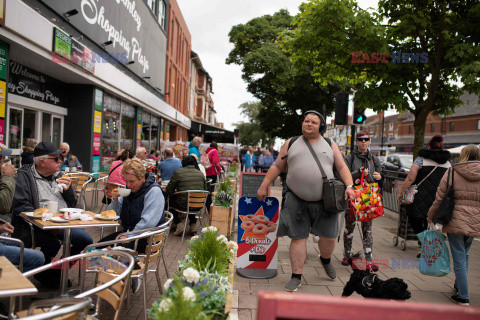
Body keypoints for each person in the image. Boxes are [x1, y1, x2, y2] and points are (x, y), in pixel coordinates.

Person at [257, 110, 355, 292]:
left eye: (314, 122)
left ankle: (325, 259)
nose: (309, 124)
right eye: (306, 121)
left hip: (326, 200)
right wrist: (264, 185)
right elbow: (278, 165)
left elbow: (341, 166)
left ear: (321, 127)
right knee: (298, 237)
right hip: (296, 197)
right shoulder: (291, 143)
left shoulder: (329, 144)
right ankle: (296, 276)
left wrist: (349, 186)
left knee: (329, 238)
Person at [12, 142, 93, 288]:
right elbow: (21, 206)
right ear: (42, 162)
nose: (60, 161)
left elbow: (73, 203)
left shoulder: (59, 175)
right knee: (52, 244)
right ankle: (44, 274)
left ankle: (56, 273)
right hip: (35, 226)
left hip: (63, 221)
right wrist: (46, 222)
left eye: (60, 158)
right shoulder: (24, 177)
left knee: (85, 240)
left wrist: (69, 190)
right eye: (56, 159)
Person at [427, 145, 480, 306]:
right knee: (464, 254)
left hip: (455, 219)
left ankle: (464, 296)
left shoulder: (452, 172)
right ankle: (459, 285)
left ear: (463, 155)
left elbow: (440, 196)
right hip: (475, 220)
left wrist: (431, 216)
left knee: (458, 257)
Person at [397, 135, 451, 256]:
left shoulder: (421, 159)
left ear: (429, 146)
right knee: (430, 220)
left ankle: (426, 244)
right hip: (439, 197)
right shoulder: (448, 163)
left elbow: (411, 178)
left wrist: (401, 192)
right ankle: (428, 246)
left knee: (413, 217)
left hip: (419, 196)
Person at [102, 158, 165, 252]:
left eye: (132, 181)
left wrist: (129, 236)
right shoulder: (128, 190)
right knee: (94, 248)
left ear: (142, 178)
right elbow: (114, 215)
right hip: (130, 234)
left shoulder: (153, 191)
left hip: (148, 238)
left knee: (108, 252)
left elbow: (148, 223)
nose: (128, 185)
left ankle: (126, 265)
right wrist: (114, 200)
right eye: (126, 181)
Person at [341, 130, 383, 271]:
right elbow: (343, 176)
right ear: (356, 142)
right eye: (360, 139)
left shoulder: (374, 159)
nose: (363, 141)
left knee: (368, 230)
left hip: (368, 198)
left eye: (366, 139)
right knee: (349, 227)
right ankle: (346, 255)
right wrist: (357, 173)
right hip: (353, 197)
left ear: (369, 141)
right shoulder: (349, 158)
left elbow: (379, 174)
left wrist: (379, 176)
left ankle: (369, 260)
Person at [165, 156, 207, 235]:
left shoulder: (178, 172)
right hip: (199, 205)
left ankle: (178, 223)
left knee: (169, 201)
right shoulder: (200, 174)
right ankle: (193, 225)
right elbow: (205, 189)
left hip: (182, 204)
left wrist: (177, 191)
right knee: (192, 200)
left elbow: (169, 190)